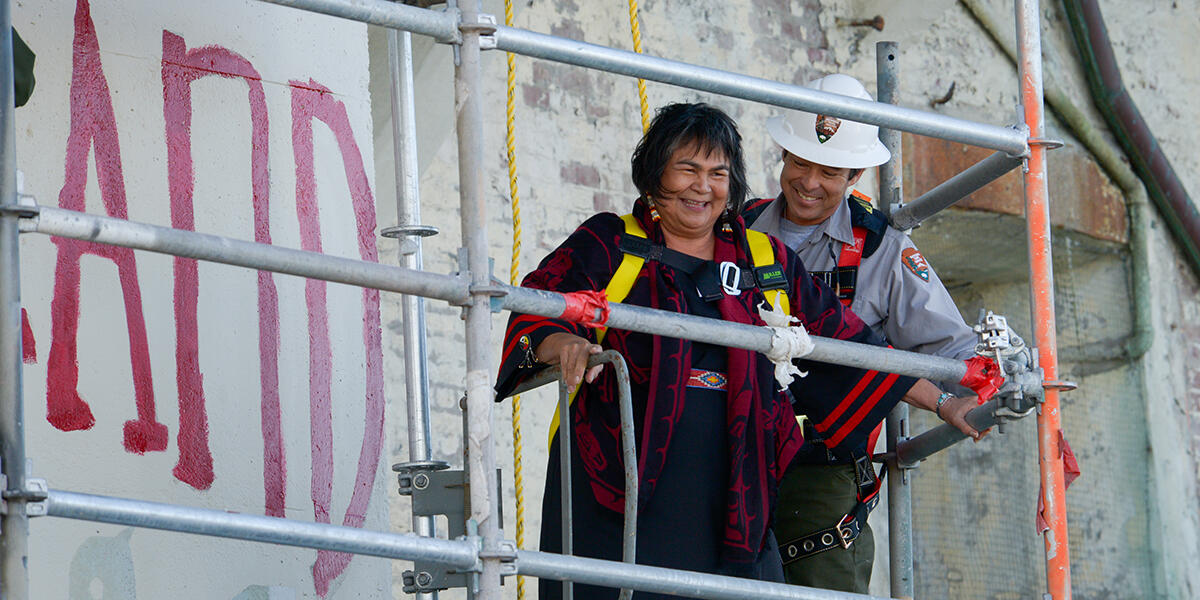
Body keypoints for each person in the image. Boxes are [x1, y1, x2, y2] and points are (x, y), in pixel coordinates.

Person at [495, 102, 980, 600]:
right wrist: (562, 342)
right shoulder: (611, 242)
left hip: (734, 505)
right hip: (612, 506)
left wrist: (946, 402)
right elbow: (538, 306)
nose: (702, 186)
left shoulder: (765, 261)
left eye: (718, 173)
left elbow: (856, 350)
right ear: (654, 172)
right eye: (687, 169)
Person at [743, 73, 980, 594]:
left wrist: (970, 396)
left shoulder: (883, 251)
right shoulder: (736, 232)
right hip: (734, 454)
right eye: (800, 163)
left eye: (829, 171)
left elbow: (955, 352)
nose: (809, 182)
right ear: (782, 156)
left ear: (854, 175)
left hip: (820, 470)